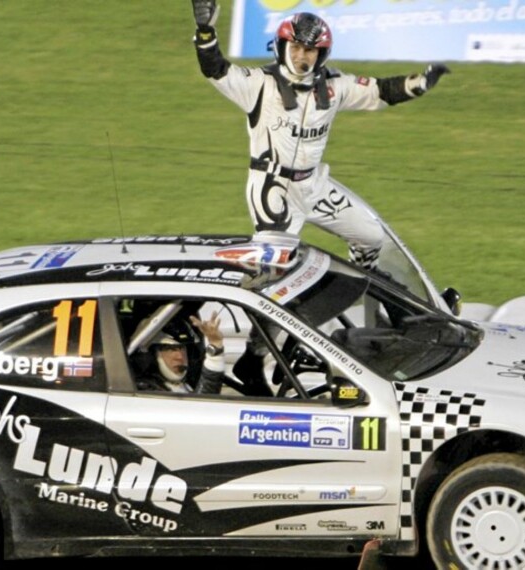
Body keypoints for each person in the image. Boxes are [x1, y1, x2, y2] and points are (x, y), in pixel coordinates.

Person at [191, 1, 450, 270]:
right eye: (295, 47)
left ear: (322, 53)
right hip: (273, 188)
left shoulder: (336, 86)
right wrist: (205, 32)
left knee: (372, 238)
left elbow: (381, 91)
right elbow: (216, 69)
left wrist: (421, 83)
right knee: (275, 271)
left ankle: (362, 289)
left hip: (314, 186)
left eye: (310, 50)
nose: (302, 56)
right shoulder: (258, 84)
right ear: (281, 47)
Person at [135, 312, 225, 394]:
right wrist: (215, 350)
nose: (180, 357)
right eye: (170, 349)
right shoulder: (145, 391)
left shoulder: (188, 384)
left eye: (182, 348)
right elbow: (199, 407)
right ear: (152, 355)